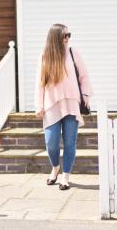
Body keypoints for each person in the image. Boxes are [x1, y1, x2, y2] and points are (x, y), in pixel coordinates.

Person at [34, 23, 93, 190]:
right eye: (64, 35)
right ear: (55, 38)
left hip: (72, 103)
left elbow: (84, 76)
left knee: (70, 142)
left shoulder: (73, 53)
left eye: (69, 35)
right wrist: (39, 105)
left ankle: (65, 176)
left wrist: (86, 95)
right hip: (51, 104)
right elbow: (39, 83)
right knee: (51, 142)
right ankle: (55, 167)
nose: (67, 38)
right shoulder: (45, 55)